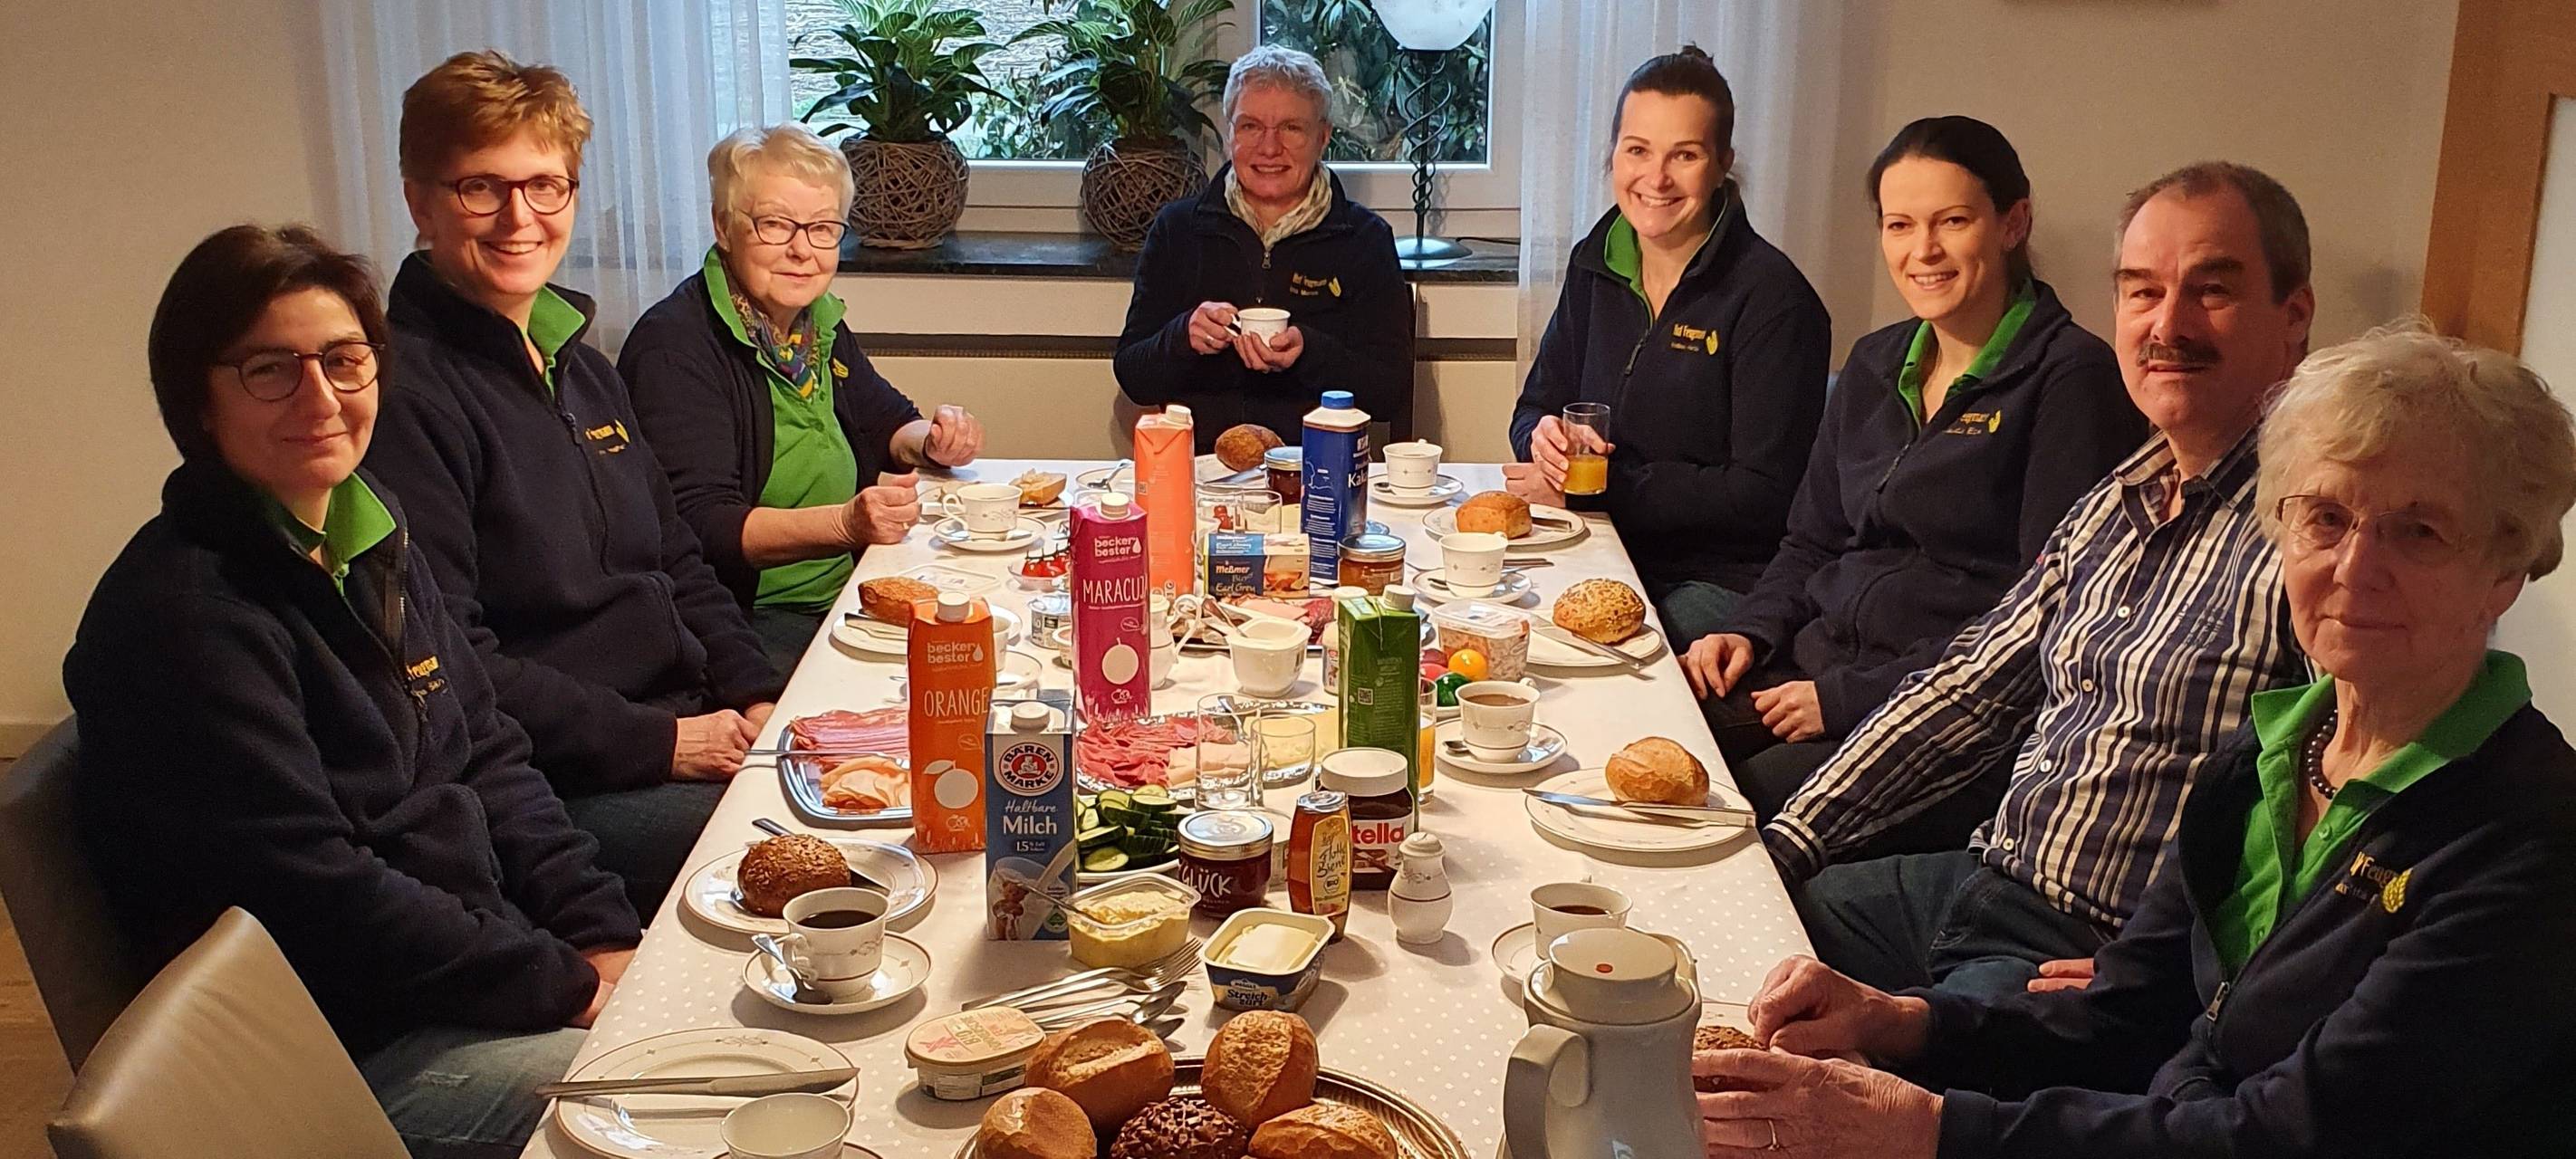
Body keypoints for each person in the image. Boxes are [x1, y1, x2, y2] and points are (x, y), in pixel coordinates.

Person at [1696, 322, 2576, 1159]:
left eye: (2417, 530)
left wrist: (1932, 1127)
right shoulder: (2266, 754)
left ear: (2505, 565)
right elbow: (2126, 1010)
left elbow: (2290, 1133)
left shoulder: (2526, 839)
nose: (2354, 567)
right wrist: (1900, 1018)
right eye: (2326, 517)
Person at [65, 225, 639, 1159]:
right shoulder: (184, 618)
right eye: (271, 369)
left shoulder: (362, 523)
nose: (322, 398)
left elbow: (486, 750)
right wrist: (561, 983)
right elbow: (318, 895)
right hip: (333, 1050)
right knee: (684, 1105)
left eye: (345, 360)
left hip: (454, 979)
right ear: (197, 398)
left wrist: (597, 930)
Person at [1764, 162, 2318, 1001]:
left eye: (2211, 290)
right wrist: (1788, 842)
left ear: (2294, 317)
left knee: (1817, 1071)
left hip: (2087, 951)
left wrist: (2179, 969)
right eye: (2141, 291)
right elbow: (1969, 692)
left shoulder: (2316, 534)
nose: (2167, 323)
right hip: (1986, 878)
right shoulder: (2119, 498)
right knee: (1743, 931)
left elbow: (2338, 809)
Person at [364, 52, 783, 916]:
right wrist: (662, 742)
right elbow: (455, 664)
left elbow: (674, 557)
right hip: (560, 782)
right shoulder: (403, 398)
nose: (519, 218)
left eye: (545, 186)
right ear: (419, 201)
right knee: (835, 856)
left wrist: (757, 692)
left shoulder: (579, 363)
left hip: (682, 709)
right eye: (482, 187)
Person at [1682, 117, 2145, 843]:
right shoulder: (1874, 362)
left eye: (1952, 221)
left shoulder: (2072, 380)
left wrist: (1843, 699)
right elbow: (1809, 541)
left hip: (1939, 718)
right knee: (1655, 736)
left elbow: (2034, 622)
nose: (1922, 251)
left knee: (1722, 816)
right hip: (1815, 667)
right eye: (1900, 225)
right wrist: (1748, 628)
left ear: (2013, 223)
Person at [623, 123, 985, 667]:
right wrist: (844, 524)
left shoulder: (812, 323)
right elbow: (700, 525)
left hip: (851, 590)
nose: (801, 250)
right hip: (746, 626)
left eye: (822, 228)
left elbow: (886, 420)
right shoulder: (675, 346)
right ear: (724, 227)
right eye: (774, 225)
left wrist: (933, 441)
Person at [1506, 46, 1832, 644]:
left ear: (1722, 163)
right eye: (1637, 151)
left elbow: (1764, 494)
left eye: (1684, 155)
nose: (1655, 180)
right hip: (1598, 542)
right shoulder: (1595, 261)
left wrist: (1609, 484)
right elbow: (1534, 406)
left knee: (1597, 665)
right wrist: (1543, 441)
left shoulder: (1775, 301)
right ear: (1613, 156)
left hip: (1718, 578)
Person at [1114, 43, 1414, 450]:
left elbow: (1389, 393)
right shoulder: (1179, 230)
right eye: (1251, 126)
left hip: (1318, 475)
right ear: (1229, 135)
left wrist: (1309, 351)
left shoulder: (1364, 239)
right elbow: (1133, 375)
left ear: (1322, 136)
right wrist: (1183, 335)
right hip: (1199, 476)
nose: (1269, 148)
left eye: (1291, 128)